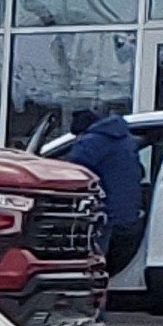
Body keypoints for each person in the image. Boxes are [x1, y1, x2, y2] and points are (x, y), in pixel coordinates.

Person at [60, 103, 149, 270]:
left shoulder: (92, 142)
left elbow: (67, 174)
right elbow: (138, 172)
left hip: (108, 221)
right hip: (130, 219)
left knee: (91, 269)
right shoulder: (125, 139)